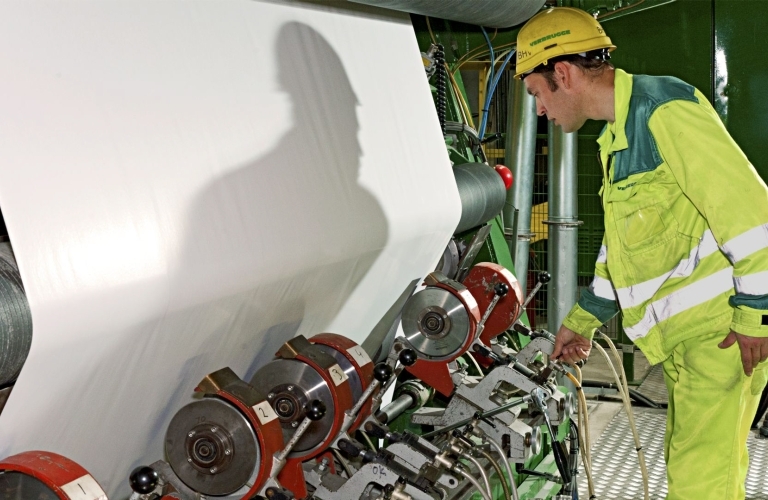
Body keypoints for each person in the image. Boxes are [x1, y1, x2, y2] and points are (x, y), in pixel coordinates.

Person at [514, 7, 768, 500]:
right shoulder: (618, 136)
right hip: (689, 342)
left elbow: (754, 214)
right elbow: (627, 251)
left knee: (699, 486)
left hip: (721, 337)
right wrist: (582, 322)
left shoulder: (663, 112)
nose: (540, 110)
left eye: (537, 94)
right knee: (708, 475)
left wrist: (756, 315)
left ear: (561, 74)